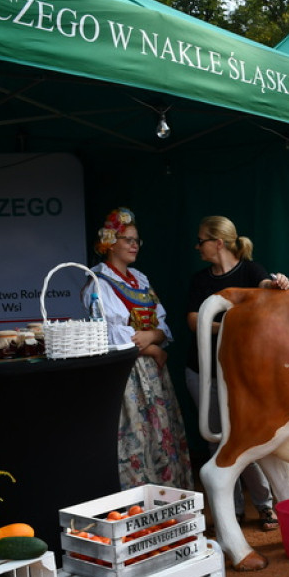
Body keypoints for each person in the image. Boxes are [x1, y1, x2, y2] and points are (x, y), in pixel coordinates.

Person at [186, 216, 289, 530]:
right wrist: (231, 326)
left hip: (243, 376)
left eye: (201, 240)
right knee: (217, 443)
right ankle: (232, 512)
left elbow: (266, 289)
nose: (197, 246)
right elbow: (193, 320)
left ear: (218, 242)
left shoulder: (250, 271)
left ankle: (264, 506)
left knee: (248, 442)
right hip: (204, 372)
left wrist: (279, 284)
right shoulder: (199, 280)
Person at [86, 208, 193, 489]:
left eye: (137, 240)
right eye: (127, 239)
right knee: (136, 435)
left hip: (153, 373)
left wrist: (154, 335)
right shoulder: (98, 282)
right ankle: (140, 504)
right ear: (110, 242)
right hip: (126, 372)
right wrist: (154, 348)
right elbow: (109, 336)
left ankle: (168, 499)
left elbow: (162, 324)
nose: (134, 245)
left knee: (160, 432)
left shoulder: (140, 279)